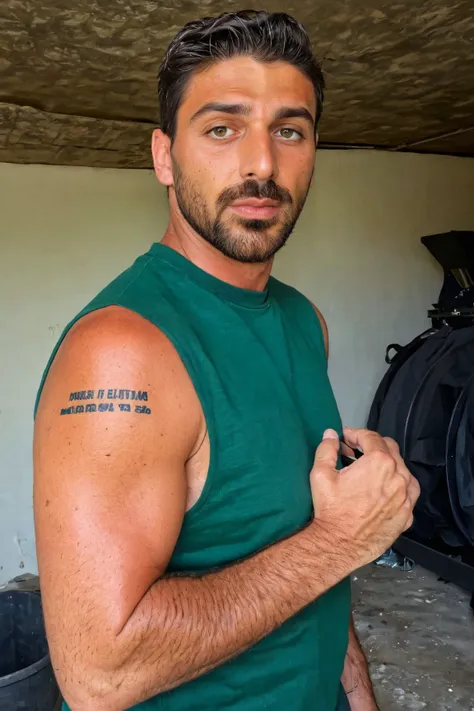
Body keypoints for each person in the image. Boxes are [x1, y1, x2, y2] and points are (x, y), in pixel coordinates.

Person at [33, 10, 420, 711]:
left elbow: (301, 547)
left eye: (290, 131)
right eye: (221, 128)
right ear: (163, 155)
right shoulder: (121, 352)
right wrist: (341, 542)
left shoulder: (306, 323)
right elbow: (99, 675)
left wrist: (358, 692)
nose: (262, 164)